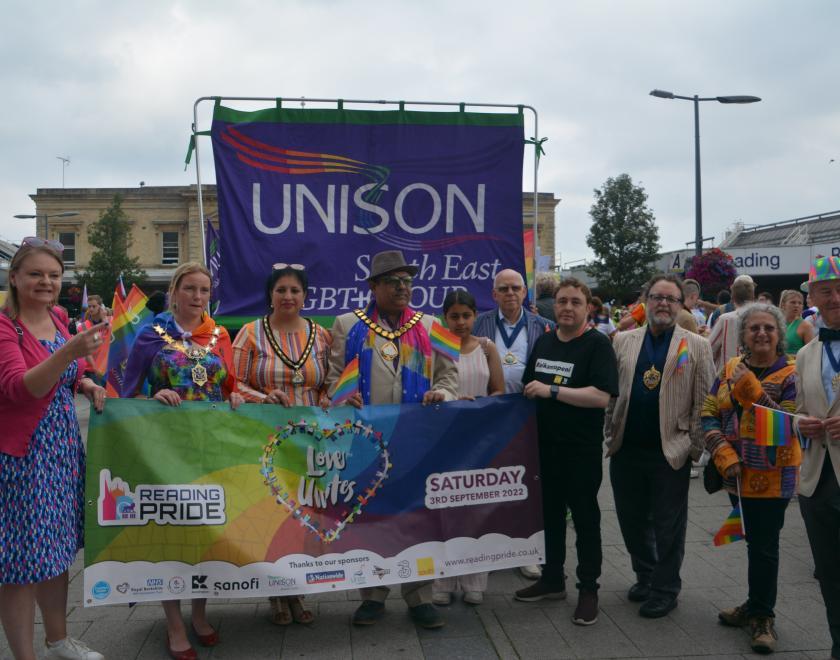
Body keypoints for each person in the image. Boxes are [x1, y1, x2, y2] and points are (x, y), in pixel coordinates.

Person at [326, 249, 458, 629]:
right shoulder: (346, 324)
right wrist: (342, 397)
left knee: (419, 517)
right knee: (370, 516)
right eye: (393, 281)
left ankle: (420, 597)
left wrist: (442, 393)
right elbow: (334, 378)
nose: (402, 287)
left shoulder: (434, 325)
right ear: (374, 286)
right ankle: (373, 595)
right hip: (366, 442)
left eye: (407, 281)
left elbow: (450, 375)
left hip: (418, 439)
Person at [122, 262, 244, 660]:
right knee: (172, 534)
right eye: (189, 288)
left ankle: (200, 613)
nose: (197, 296)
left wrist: (237, 396)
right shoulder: (149, 336)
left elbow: (229, 386)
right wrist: (152, 396)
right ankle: (174, 624)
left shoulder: (220, 335)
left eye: (204, 290)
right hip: (166, 450)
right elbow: (127, 393)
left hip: (210, 449)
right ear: (174, 292)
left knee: (204, 533)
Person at [0, 238, 106, 660]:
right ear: (14, 278)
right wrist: (69, 353)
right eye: (35, 274)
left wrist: (87, 382)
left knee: (57, 550)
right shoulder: (5, 326)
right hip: (23, 458)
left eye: (54, 275)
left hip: (61, 452)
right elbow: (19, 388)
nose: (46, 282)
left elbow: (70, 373)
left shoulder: (58, 316)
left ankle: (59, 641)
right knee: (21, 564)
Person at [604, 274, 714, 618]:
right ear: (645, 301)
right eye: (656, 297)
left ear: (680, 305)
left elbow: (705, 402)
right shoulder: (623, 341)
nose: (663, 303)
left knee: (668, 527)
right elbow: (612, 394)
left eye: (670, 298)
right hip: (626, 448)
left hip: (670, 451)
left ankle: (665, 589)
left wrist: (693, 448)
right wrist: (609, 431)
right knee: (631, 520)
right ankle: (646, 574)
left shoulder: (696, 345)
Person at [514, 278, 619, 627]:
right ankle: (552, 578)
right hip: (545, 448)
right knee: (550, 516)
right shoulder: (544, 341)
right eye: (562, 301)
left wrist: (554, 391)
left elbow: (601, 397)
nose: (567, 308)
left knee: (585, 520)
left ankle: (588, 589)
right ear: (554, 305)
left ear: (588, 307)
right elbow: (530, 387)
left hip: (580, 451)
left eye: (575, 302)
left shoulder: (597, 345)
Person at [232, 263, 331, 625]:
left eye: (295, 290)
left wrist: (327, 399)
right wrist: (263, 397)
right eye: (281, 290)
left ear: (305, 296)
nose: (288, 296)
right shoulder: (250, 333)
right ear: (270, 295)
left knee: (304, 515)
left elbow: (331, 381)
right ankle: (276, 592)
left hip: (311, 440)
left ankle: (297, 587)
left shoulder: (321, 335)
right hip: (266, 438)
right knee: (272, 514)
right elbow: (233, 383)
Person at [702, 303, 799, 654]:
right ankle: (754, 603)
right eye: (754, 327)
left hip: (774, 479)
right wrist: (723, 453)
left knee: (764, 546)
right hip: (735, 475)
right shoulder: (730, 368)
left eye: (769, 328)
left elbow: (789, 427)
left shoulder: (792, 373)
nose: (761, 333)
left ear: (779, 334)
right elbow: (709, 411)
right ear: (743, 334)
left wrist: (750, 389)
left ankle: (762, 616)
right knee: (753, 542)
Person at [473, 268, 554, 579]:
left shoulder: (544, 326)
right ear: (494, 294)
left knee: (528, 483)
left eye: (515, 288)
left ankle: (526, 551)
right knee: (490, 483)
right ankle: (491, 550)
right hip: (489, 416)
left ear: (524, 292)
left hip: (528, 415)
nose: (510, 293)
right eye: (503, 289)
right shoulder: (478, 323)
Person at [432, 290, 504, 606]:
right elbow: (429, 389)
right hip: (443, 440)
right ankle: (442, 582)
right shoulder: (436, 348)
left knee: (476, 510)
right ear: (444, 318)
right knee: (443, 511)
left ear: (475, 316)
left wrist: (477, 407)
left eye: (466, 315)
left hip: (478, 439)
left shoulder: (487, 348)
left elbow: (499, 390)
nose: (460, 322)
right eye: (454, 316)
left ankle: (475, 580)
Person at [793, 256, 840, 660]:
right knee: (830, 575)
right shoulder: (806, 354)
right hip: (817, 483)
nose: (835, 297)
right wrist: (800, 424)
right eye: (826, 290)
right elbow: (799, 410)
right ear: (813, 299)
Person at [709, 275, 756, 373]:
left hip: (728, 376)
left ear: (732, 297)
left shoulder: (725, 319)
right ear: (753, 297)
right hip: (756, 375)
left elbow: (709, 349)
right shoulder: (763, 318)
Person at [779, 289, 814, 356]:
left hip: (797, 362)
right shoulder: (776, 324)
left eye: (800, 303)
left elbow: (811, 354)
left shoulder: (806, 326)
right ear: (783, 304)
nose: (797, 305)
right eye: (793, 302)